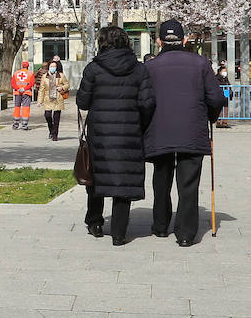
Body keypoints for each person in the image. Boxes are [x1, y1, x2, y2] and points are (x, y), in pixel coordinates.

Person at [144, 19, 225, 246]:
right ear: (185, 40)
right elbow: (217, 97)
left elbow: (143, 101)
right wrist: (210, 116)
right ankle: (186, 234)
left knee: (161, 179)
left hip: (160, 132)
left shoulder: (149, 67)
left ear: (159, 41)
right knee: (188, 184)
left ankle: (160, 226)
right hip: (192, 130)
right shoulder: (200, 63)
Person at [76, 25, 155, 246]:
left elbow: (82, 102)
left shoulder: (94, 69)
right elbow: (148, 103)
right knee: (124, 180)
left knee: (96, 176)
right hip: (129, 132)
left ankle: (95, 222)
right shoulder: (139, 69)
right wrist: (140, 124)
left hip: (100, 133)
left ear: (102, 43)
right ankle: (119, 233)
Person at [35, 57, 72, 142]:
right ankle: (51, 130)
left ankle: (55, 134)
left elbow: (67, 84)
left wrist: (62, 87)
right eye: (51, 66)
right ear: (48, 67)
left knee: (56, 118)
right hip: (48, 99)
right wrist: (39, 101)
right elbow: (41, 89)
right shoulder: (45, 77)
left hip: (58, 99)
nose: (53, 68)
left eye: (54, 66)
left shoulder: (61, 75)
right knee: (47, 115)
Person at [10, 59, 35, 130]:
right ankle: (24, 124)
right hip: (26, 93)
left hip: (18, 93)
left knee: (17, 108)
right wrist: (25, 88)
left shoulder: (16, 73)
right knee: (26, 108)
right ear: (28, 66)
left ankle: (15, 124)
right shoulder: (30, 73)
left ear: (22, 66)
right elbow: (32, 83)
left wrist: (18, 89)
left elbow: (13, 83)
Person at [216, 62, 232, 128]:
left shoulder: (226, 78)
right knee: (219, 109)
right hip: (219, 95)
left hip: (226, 95)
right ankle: (218, 122)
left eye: (226, 71)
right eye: (224, 71)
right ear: (220, 71)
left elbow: (229, 85)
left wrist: (231, 92)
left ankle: (225, 122)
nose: (225, 72)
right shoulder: (216, 78)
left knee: (226, 109)